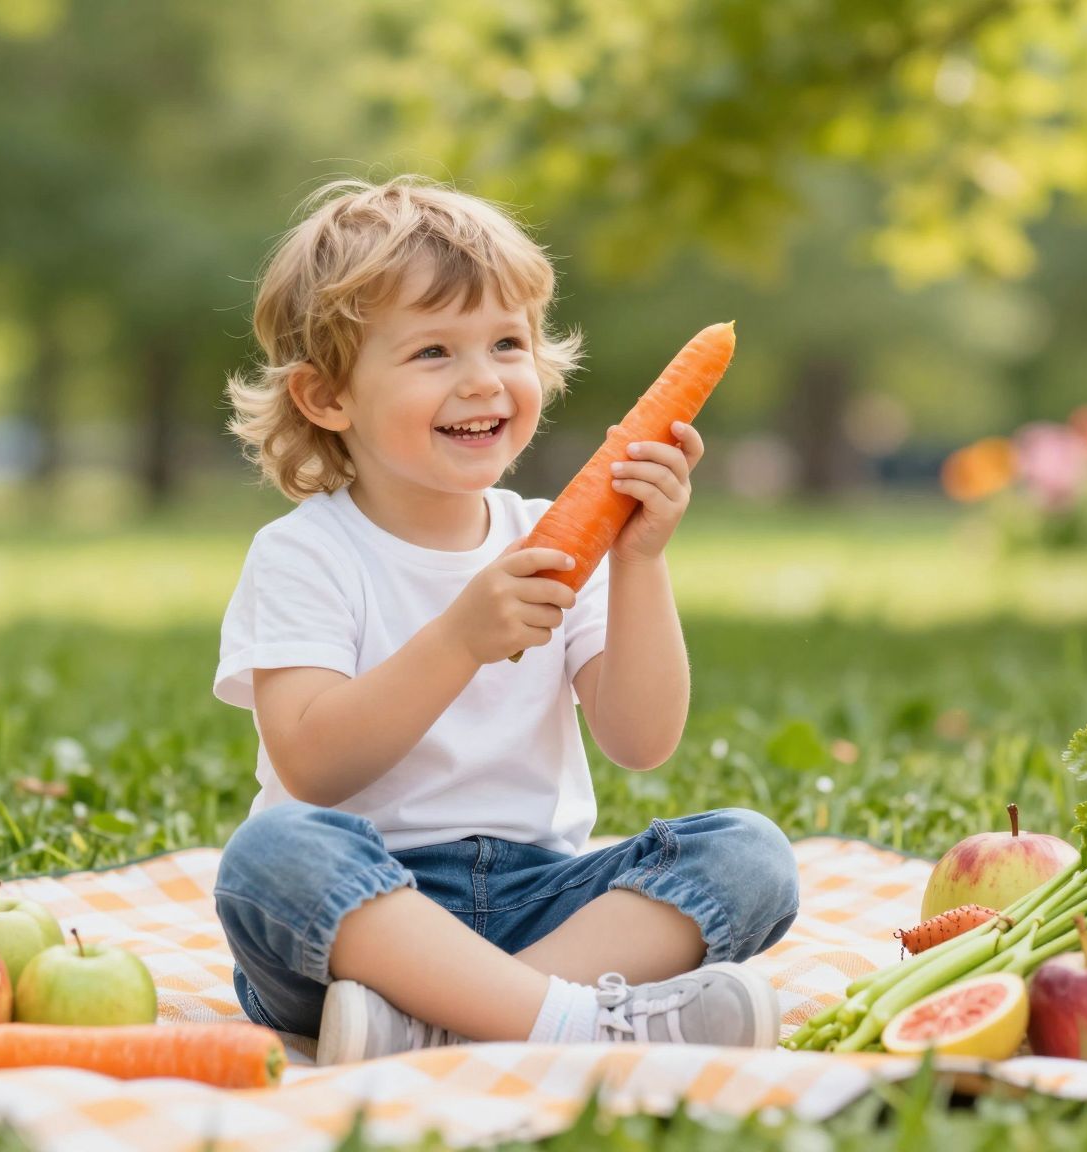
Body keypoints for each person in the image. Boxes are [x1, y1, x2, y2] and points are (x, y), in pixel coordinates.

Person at [210, 176, 801, 1065]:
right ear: (327, 397)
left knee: (750, 856)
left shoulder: (557, 536)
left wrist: (640, 560)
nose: (483, 380)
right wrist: (457, 640)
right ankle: (568, 1021)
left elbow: (641, 740)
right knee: (272, 854)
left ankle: (444, 1021)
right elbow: (315, 766)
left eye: (506, 343)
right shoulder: (305, 553)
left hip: (537, 895)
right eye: (433, 353)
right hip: (364, 913)